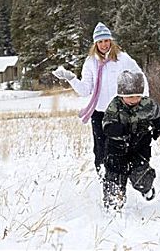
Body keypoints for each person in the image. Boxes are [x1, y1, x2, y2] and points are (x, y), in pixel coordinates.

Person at [52, 22, 149, 178]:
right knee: (100, 149)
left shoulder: (122, 59)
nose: (104, 44)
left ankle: (125, 176)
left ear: (111, 41)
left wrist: (144, 101)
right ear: (95, 43)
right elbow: (85, 90)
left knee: (122, 147)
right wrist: (70, 78)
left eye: (106, 40)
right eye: (100, 41)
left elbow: (140, 77)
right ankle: (105, 179)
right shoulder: (90, 62)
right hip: (99, 114)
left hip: (120, 112)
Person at [101, 70, 160, 210]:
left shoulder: (149, 104)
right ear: (121, 94)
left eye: (137, 96)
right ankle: (113, 205)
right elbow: (107, 125)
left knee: (140, 175)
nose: (133, 99)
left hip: (140, 148)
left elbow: (157, 117)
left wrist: (156, 129)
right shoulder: (114, 106)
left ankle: (146, 188)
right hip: (116, 149)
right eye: (129, 96)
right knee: (114, 177)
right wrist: (121, 130)